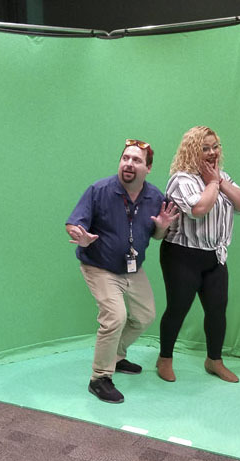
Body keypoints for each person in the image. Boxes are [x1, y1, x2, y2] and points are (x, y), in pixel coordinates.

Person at [66, 139, 178, 404]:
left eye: (136, 160)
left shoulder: (155, 198)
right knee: (115, 316)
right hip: (99, 266)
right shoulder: (99, 190)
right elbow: (74, 224)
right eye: (125, 158)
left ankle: (115, 356)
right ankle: (100, 378)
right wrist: (79, 236)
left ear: (148, 168)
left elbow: (158, 235)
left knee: (144, 315)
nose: (129, 163)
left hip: (131, 268)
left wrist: (162, 226)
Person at [157, 126, 240, 383]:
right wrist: (212, 183)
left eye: (215, 147)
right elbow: (199, 208)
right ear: (191, 151)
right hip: (182, 255)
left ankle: (214, 360)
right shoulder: (181, 179)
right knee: (178, 309)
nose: (212, 153)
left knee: (217, 310)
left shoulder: (223, 177)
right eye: (205, 148)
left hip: (215, 256)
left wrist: (219, 182)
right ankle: (164, 358)